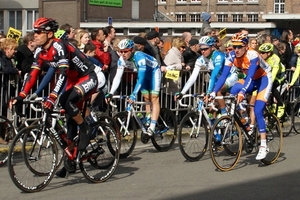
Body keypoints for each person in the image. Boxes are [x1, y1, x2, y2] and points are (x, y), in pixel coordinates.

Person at [12, 17, 104, 177]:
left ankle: (85, 129)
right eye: (34, 32)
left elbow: (61, 73)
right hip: (72, 81)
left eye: (39, 32)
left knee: (64, 100)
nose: (35, 35)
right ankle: (71, 161)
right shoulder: (40, 51)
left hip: (88, 77)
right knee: (68, 125)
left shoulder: (59, 46)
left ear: (49, 34)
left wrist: (52, 97)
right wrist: (21, 96)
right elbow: (33, 75)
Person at [210, 32, 272, 160]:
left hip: (264, 79)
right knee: (233, 91)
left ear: (246, 46)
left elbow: (250, 75)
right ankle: (245, 121)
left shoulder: (252, 55)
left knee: (258, 110)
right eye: (234, 46)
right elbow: (223, 76)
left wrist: (243, 92)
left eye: (239, 46)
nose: (236, 50)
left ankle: (263, 145)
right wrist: (212, 92)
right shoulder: (231, 55)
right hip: (252, 80)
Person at [105, 39, 161, 137]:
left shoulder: (139, 57)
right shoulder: (121, 60)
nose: (123, 54)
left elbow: (141, 77)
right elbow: (117, 77)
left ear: (131, 50)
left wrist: (134, 94)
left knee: (154, 98)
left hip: (153, 72)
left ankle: (152, 126)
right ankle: (148, 117)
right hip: (143, 74)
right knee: (146, 97)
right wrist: (111, 92)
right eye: (121, 51)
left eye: (125, 51)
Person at [258, 43, 286, 118]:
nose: (261, 54)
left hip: (279, 75)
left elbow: (274, 74)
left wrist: (269, 83)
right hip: (269, 74)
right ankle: (270, 105)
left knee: (272, 85)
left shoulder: (275, 58)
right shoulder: (261, 59)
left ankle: (280, 104)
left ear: (269, 53)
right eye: (260, 52)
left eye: (263, 53)